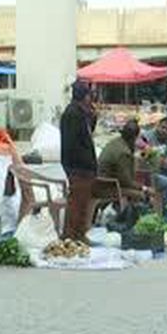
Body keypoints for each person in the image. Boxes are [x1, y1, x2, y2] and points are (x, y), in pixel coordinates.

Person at [59, 81, 98, 241]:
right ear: (84, 96)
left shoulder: (80, 113)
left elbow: (87, 134)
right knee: (77, 203)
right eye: (89, 95)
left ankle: (79, 234)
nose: (91, 99)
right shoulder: (73, 114)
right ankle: (72, 235)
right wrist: (86, 163)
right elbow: (75, 143)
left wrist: (92, 117)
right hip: (78, 167)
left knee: (83, 203)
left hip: (82, 167)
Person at [98, 118, 159, 213]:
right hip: (110, 187)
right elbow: (126, 182)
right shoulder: (124, 153)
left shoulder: (116, 142)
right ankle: (135, 222)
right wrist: (145, 189)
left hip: (103, 182)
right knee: (144, 196)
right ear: (134, 137)